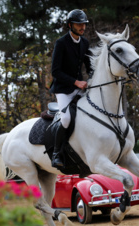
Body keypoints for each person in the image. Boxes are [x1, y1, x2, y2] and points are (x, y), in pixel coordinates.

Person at [50, 9, 92, 168]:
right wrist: (76, 82)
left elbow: (89, 67)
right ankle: (56, 153)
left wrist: (93, 79)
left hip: (80, 87)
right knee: (66, 118)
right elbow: (55, 72)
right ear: (70, 25)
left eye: (84, 24)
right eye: (79, 24)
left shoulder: (85, 43)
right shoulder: (61, 43)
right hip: (63, 89)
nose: (82, 27)